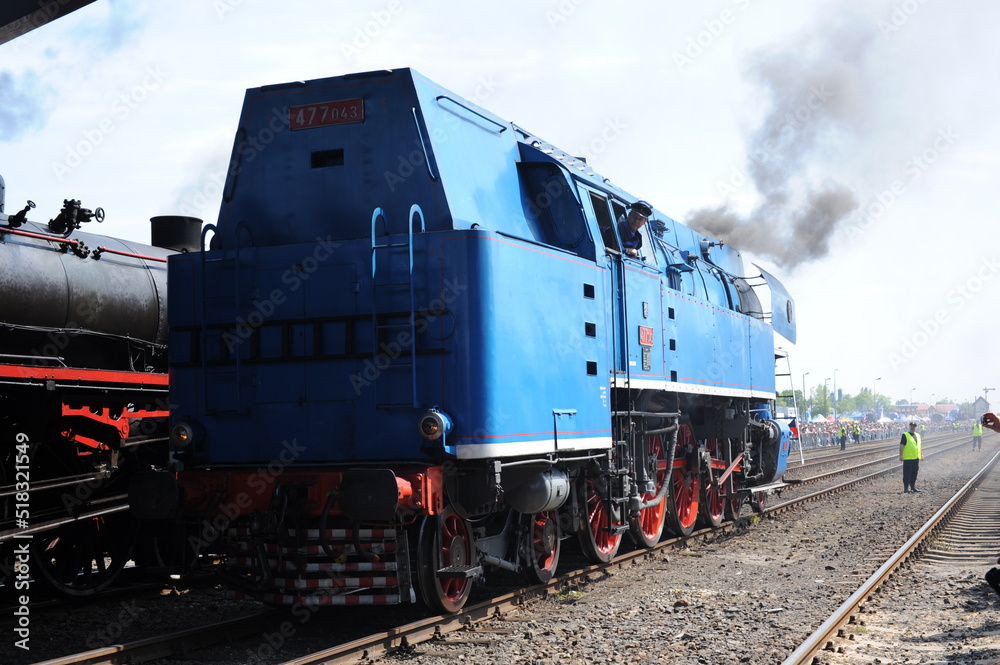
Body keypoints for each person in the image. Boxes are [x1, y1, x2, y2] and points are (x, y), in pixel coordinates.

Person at [899, 421, 923, 493]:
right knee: (907, 473)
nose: (913, 427)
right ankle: (906, 488)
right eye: (911, 426)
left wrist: (921, 455)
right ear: (909, 426)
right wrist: (901, 455)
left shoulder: (918, 435)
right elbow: (901, 445)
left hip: (916, 458)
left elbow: (919, 446)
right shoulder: (905, 435)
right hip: (908, 458)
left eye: (914, 426)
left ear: (916, 427)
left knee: (914, 473)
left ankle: (913, 487)